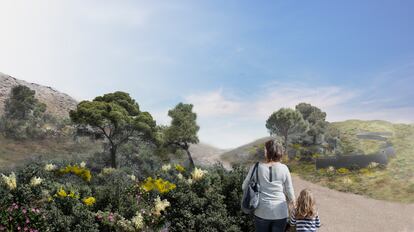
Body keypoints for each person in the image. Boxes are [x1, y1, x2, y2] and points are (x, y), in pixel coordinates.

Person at [242, 139, 295, 232]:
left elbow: (244, 186)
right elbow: (289, 191)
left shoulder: (257, 167)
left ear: (269, 151)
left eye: (265, 149)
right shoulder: (284, 168)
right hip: (281, 212)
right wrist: (294, 205)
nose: (264, 152)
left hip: (262, 211)